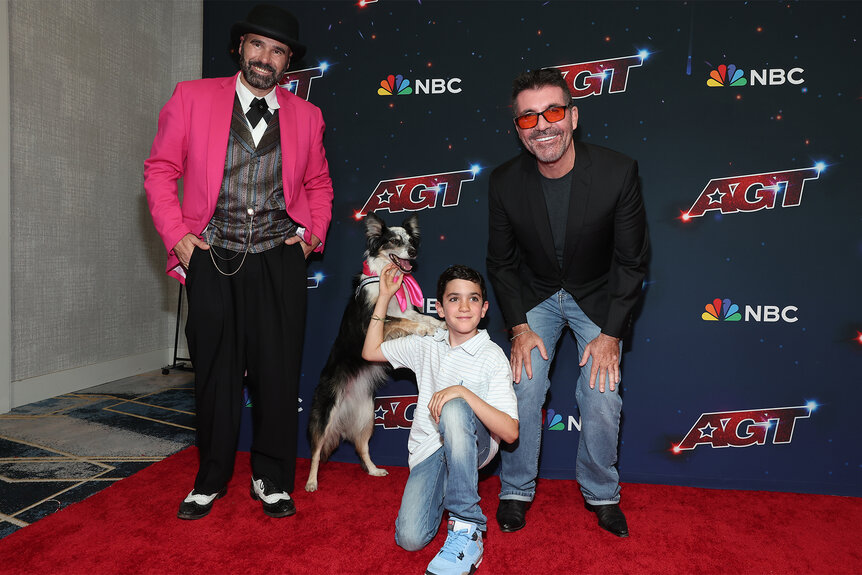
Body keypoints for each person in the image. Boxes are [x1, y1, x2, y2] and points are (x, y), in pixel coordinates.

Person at [144, 4, 333, 520]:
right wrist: (178, 235)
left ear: (287, 62)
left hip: (278, 259)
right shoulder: (192, 97)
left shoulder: (308, 116)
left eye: (278, 51)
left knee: (277, 373)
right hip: (212, 255)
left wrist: (312, 235)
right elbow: (160, 171)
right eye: (258, 45)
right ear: (240, 48)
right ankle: (210, 478)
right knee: (215, 374)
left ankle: (272, 478)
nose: (265, 58)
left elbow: (318, 184)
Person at [486, 68, 649, 538]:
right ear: (518, 129)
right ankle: (515, 490)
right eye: (529, 117)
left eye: (554, 112)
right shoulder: (503, 182)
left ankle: (601, 494)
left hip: (597, 294)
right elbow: (500, 263)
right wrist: (518, 328)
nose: (543, 126)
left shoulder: (618, 171)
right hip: (536, 292)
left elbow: (632, 261)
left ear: (573, 117)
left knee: (601, 394)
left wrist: (611, 334)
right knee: (523, 384)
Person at [362, 264, 518, 575]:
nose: (464, 307)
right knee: (409, 538)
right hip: (429, 449)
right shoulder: (426, 344)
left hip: (475, 444)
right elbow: (371, 351)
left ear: (484, 308)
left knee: (455, 405)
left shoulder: (491, 356)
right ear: (440, 307)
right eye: (454, 299)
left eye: (473, 299)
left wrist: (463, 392)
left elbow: (511, 432)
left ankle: (467, 527)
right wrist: (384, 297)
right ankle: (451, 486)